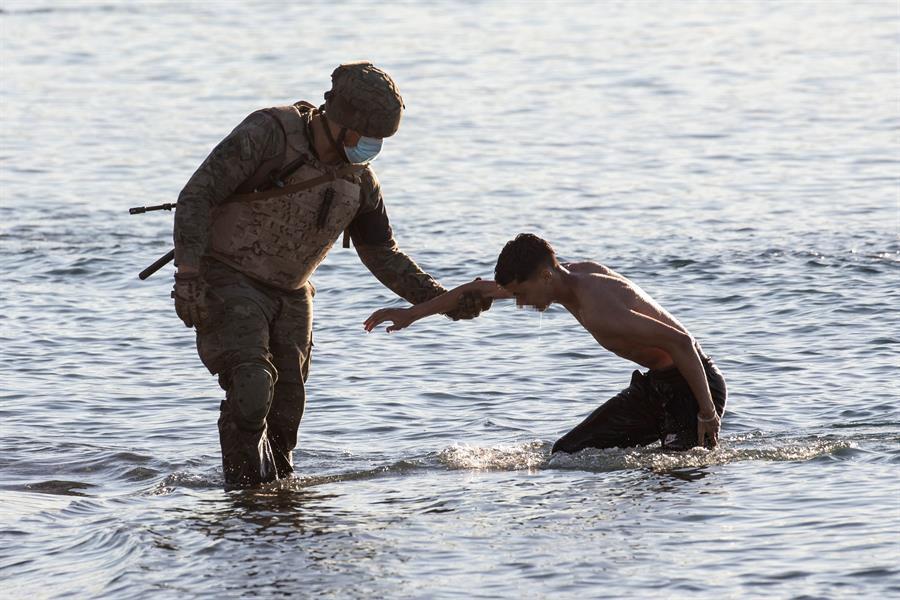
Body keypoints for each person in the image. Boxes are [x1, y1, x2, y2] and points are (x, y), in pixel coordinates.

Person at [171, 62, 490, 488]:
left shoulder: (359, 182)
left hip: (291, 293)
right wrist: (188, 276)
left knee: (286, 413)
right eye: (366, 137)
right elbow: (197, 195)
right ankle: (244, 496)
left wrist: (440, 300)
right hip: (228, 276)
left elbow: (383, 255)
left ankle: (277, 501)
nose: (371, 148)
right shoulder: (268, 134)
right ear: (339, 123)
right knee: (252, 388)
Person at [364, 233, 726, 452]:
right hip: (658, 386)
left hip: (693, 386)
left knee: (678, 473)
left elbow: (682, 342)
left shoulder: (599, 306)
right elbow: (474, 289)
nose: (519, 303)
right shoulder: (566, 277)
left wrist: (706, 413)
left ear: (544, 275)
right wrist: (412, 314)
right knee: (568, 452)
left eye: (522, 293)